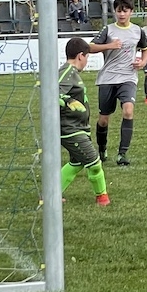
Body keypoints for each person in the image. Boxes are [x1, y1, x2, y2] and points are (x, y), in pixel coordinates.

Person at [90, 0, 147, 166]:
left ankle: (122, 154)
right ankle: (102, 149)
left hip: (128, 77)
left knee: (128, 111)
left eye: (125, 11)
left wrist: (142, 62)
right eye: (118, 11)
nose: (122, 14)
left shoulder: (138, 31)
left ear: (131, 12)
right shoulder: (108, 30)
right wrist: (109, 45)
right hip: (108, 78)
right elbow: (90, 47)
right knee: (103, 119)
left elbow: (146, 49)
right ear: (115, 11)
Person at [58, 37, 111, 206]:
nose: (86, 61)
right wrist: (68, 101)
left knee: (77, 163)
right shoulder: (67, 72)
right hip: (70, 129)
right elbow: (51, 92)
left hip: (78, 127)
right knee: (94, 163)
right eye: (87, 57)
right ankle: (102, 198)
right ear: (81, 55)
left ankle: (51, 194)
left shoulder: (72, 73)